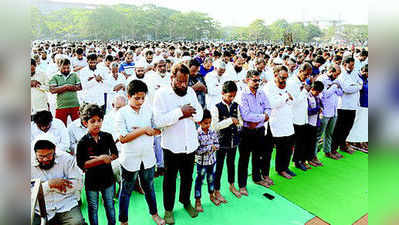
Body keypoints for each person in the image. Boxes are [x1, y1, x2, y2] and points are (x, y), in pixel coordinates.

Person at [153, 62, 203, 224]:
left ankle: (185, 201)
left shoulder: (190, 92)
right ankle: (168, 209)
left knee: (188, 177)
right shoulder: (161, 94)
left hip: (190, 145)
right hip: (171, 146)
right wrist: (181, 112)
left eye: (186, 81)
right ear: (172, 77)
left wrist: (191, 114)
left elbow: (199, 113)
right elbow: (159, 121)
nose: (183, 85)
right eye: (179, 81)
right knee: (170, 180)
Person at [116, 80, 165, 225]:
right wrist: (143, 130)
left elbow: (158, 130)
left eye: (143, 98)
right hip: (129, 159)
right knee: (126, 191)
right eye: (137, 98)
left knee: (149, 187)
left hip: (148, 158)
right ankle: (123, 221)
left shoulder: (148, 110)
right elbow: (123, 138)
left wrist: (147, 131)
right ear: (128, 96)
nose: (140, 101)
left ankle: (154, 214)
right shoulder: (122, 113)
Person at [76, 104, 118, 225]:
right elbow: (82, 164)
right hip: (91, 181)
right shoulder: (82, 142)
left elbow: (115, 154)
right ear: (85, 123)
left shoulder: (107, 136)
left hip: (108, 179)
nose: (97, 124)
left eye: (99, 120)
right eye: (92, 121)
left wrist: (109, 158)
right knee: (93, 208)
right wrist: (100, 159)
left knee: (110, 205)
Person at [31, 133, 85, 225]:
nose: (45, 159)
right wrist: (49, 185)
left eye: (49, 155)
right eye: (41, 156)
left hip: (65, 203)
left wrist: (59, 186)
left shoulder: (66, 159)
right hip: (39, 208)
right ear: (35, 153)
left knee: (77, 223)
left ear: (54, 150)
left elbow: (78, 183)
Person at [238, 70, 272, 196]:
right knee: (244, 159)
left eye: (259, 80)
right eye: (254, 80)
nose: (257, 82)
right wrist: (263, 117)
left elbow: (268, 108)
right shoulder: (242, 95)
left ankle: (257, 178)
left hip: (259, 129)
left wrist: (261, 118)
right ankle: (242, 185)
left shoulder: (262, 93)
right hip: (247, 131)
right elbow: (246, 116)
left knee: (258, 155)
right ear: (247, 80)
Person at [210, 81, 242, 201]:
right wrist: (229, 120)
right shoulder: (216, 107)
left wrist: (238, 124)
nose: (231, 98)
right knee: (218, 167)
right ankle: (216, 191)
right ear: (222, 93)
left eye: (233, 96)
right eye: (229, 96)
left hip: (234, 141)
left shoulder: (236, 105)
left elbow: (240, 120)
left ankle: (232, 185)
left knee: (231, 164)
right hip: (221, 142)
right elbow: (214, 126)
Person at [263, 65, 295, 179]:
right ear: (275, 75)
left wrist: (286, 98)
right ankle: (268, 173)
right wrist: (285, 96)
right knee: (270, 150)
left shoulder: (287, 85)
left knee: (287, 146)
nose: (284, 80)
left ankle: (284, 168)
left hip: (286, 120)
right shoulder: (268, 87)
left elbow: (292, 100)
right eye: (282, 78)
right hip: (274, 122)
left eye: (286, 78)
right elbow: (272, 104)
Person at [331, 56, 363, 156]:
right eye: (351, 65)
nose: (353, 67)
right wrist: (356, 86)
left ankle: (343, 145)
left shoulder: (354, 72)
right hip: (343, 105)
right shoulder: (341, 74)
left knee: (348, 127)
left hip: (353, 105)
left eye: (353, 65)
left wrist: (355, 86)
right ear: (344, 64)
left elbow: (360, 83)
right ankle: (333, 148)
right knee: (339, 128)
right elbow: (346, 89)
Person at [287, 63, 312, 172]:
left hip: (302, 116)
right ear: (300, 71)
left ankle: (299, 160)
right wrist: (305, 90)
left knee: (301, 141)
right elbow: (294, 101)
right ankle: (293, 163)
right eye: (305, 74)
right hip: (295, 117)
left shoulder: (301, 82)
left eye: (308, 75)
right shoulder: (292, 82)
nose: (307, 77)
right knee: (294, 142)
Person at [194, 109, 221, 212]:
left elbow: (217, 144)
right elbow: (197, 150)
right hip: (201, 163)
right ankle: (198, 200)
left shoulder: (212, 131)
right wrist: (210, 148)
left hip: (211, 162)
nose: (208, 125)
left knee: (211, 179)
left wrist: (215, 147)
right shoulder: (197, 134)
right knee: (199, 181)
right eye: (206, 123)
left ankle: (212, 195)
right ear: (199, 122)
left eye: (209, 122)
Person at [315, 64, 343, 160]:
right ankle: (313, 156)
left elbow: (341, 93)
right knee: (318, 135)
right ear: (331, 71)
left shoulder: (335, 80)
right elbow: (325, 94)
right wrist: (335, 86)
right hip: (325, 111)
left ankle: (327, 151)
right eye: (336, 74)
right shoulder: (321, 79)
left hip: (334, 110)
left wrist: (334, 85)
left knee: (330, 133)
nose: (337, 76)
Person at [49, 58, 82, 126]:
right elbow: (52, 90)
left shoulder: (74, 75)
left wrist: (66, 87)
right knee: (60, 126)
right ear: (59, 66)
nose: (66, 70)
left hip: (75, 105)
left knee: (78, 126)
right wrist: (66, 87)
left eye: (68, 68)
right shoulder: (55, 76)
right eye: (64, 68)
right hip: (61, 106)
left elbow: (79, 87)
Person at [346, 64, 368, 152]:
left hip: (366, 104)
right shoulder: (358, 78)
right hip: (359, 104)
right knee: (356, 124)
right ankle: (350, 141)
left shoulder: (366, 79)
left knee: (362, 125)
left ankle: (359, 141)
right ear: (363, 71)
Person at [306, 81, 324, 167]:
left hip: (316, 122)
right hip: (308, 123)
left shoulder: (317, 97)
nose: (318, 94)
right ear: (312, 89)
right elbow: (307, 111)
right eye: (317, 92)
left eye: (319, 92)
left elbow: (321, 106)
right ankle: (307, 160)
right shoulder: (307, 97)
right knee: (308, 143)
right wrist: (317, 109)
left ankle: (311, 158)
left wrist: (320, 109)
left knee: (313, 142)